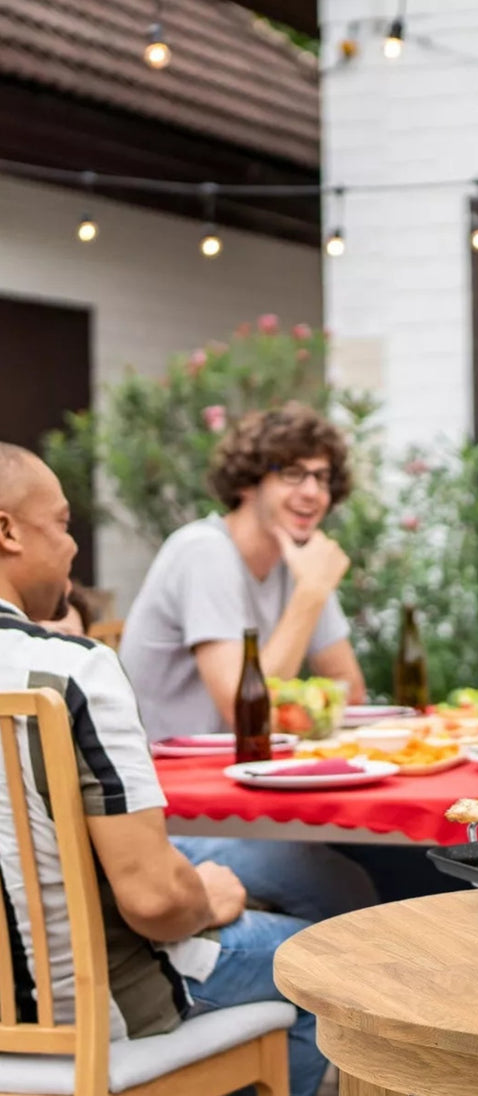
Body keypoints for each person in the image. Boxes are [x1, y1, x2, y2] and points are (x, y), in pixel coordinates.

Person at [0, 442, 326, 1096]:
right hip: (89, 1010)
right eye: (62, 524)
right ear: (7, 531)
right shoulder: (71, 671)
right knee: (334, 962)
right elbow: (154, 900)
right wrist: (208, 897)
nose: (71, 549)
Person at [119, 403, 377, 921]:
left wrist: (309, 589)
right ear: (248, 483)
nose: (313, 492)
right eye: (293, 473)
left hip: (259, 802)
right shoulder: (203, 552)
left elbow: (351, 693)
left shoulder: (300, 563)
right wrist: (310, 592)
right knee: (350, 894)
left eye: (323, 478)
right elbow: (247, 712)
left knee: (407, 862)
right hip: (180, 816)